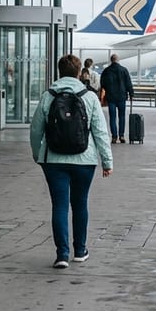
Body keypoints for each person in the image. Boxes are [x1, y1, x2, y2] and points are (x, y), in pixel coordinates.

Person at [30, 54, 113, 269]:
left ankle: (62, 255)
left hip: (53, 160)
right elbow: (100, 132)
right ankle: (81, 250)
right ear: (78, 73)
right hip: (84, 160)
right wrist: (107, 161)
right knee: (80, 203)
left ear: (59, 72)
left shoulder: (48, 96)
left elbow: (36, 129)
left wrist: (37, 153)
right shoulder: (89, 96)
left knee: (59, 206)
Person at [99, 54, 134, 144]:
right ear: (118, 60)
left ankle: (114, 136)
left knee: (112, 117)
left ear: (111, 60)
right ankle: (121, 135)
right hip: (122, 96)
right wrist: (131, 93)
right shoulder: (124, 70)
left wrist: (107, 90)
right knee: (122, 116)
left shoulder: (106, 71)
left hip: (111, 97)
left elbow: (102, 83)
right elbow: (128, 83)